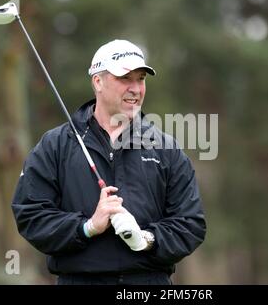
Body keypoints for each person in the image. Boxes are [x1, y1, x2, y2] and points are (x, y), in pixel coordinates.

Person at [11, 39, 206, 285]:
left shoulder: (166, 149)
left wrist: (146, 239)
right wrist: (87, 227)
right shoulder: (56, 145)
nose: (135, 88)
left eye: (141, 79)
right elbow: (30, 214)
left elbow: (191, 223)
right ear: (98, 82)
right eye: (125, 79)